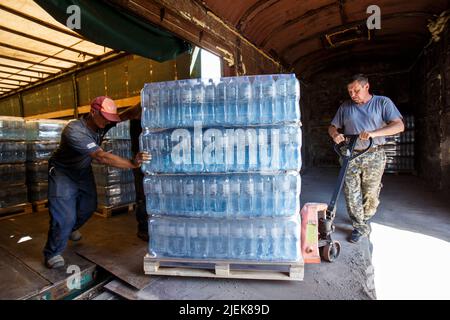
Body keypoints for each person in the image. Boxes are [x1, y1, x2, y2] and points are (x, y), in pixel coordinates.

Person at [43, 96, 151, 268]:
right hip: (63, 173)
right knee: (65, 217)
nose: (108, 122)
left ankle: (69, 229)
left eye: (110, 118)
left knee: (89, 206)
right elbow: (101, 156)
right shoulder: (75, 130)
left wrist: (146, 100)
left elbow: (125, 115)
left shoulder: (102, 122)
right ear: (93, 113)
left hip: (83, 172)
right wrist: (132, 163)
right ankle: (52, 252)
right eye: (105, 118)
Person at [328, 74, 404, 243]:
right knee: (350, 190)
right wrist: (335, 135)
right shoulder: (345, 107)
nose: (353, 94)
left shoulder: (382, 102)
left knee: (370, 193)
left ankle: (364, 216)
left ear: (366, 87)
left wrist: (373, 134)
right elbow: (332, 126)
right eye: (350, 91)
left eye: (356, 90)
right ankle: (359, 226)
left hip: (374, 152)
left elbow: (399, 125)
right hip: (350, 153)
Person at [117, 103, 148, 241]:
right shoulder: (139, 112)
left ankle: (152, 227)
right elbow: (126, 114)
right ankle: (143, 229)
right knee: (143, 196)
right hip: (140, 160)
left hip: (155, 158)